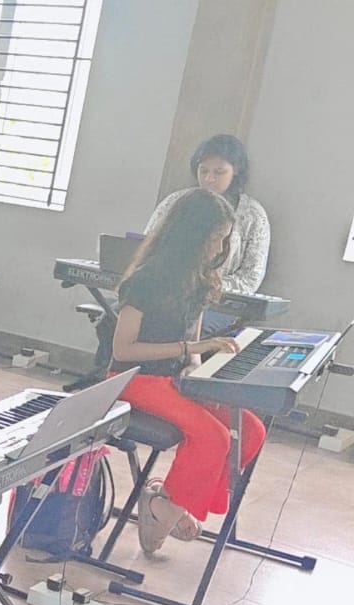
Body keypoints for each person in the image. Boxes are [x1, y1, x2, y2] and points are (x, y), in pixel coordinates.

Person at [114, 188, 265, 554]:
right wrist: (188, 351)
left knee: (250, 430)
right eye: (215, 239)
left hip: (173, 377)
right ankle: (164, 510)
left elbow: (193, 341)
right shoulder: (146, 279)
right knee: (213, 436)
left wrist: (196, 373)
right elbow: (123, 349)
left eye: (224, 239)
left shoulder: (199, 278)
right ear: (190, 237)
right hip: (135, 379)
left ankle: (168, 500)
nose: (219, 249)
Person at [146, 134, 270, 295]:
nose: (209, 178)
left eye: (219, 172)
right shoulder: (174, 202)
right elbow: (147, 249)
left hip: (219, 298)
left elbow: (251, 277)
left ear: (236, 170)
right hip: (165, 290)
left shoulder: (253, 215)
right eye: (203, 171)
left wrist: (207, 285)